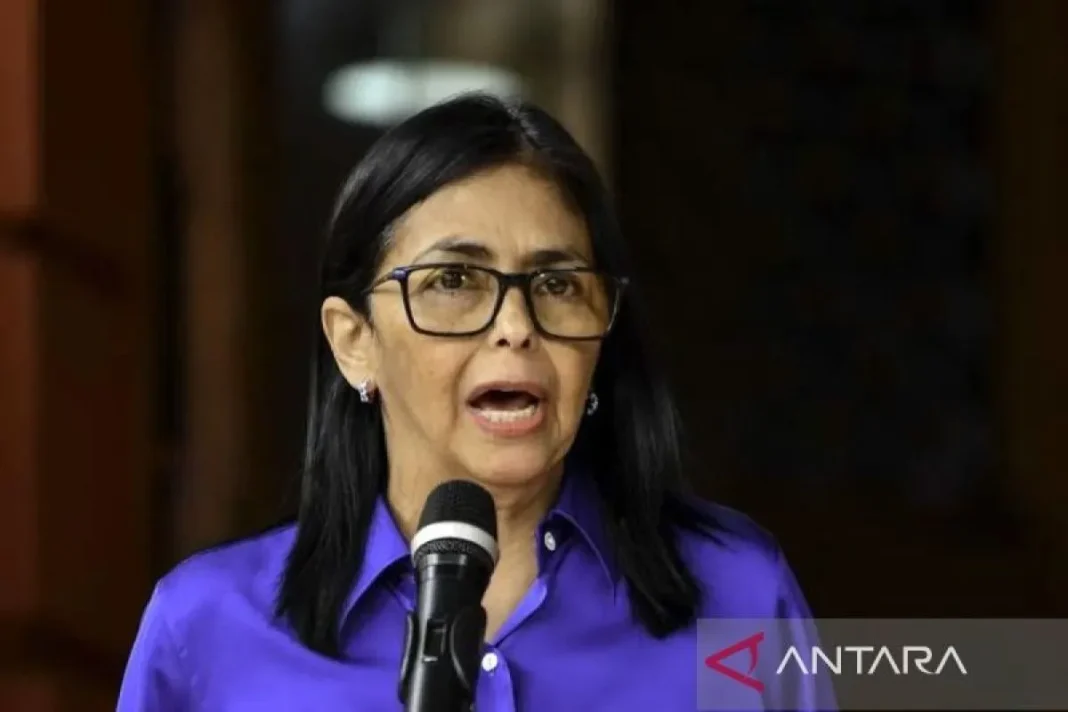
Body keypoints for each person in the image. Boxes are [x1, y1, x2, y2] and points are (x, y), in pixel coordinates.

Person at [117, 93, 834, 711]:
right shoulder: (207, 629)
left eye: (557, 284)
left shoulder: (737, 598)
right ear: (354, 340)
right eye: (454, 281)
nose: (516, 327)